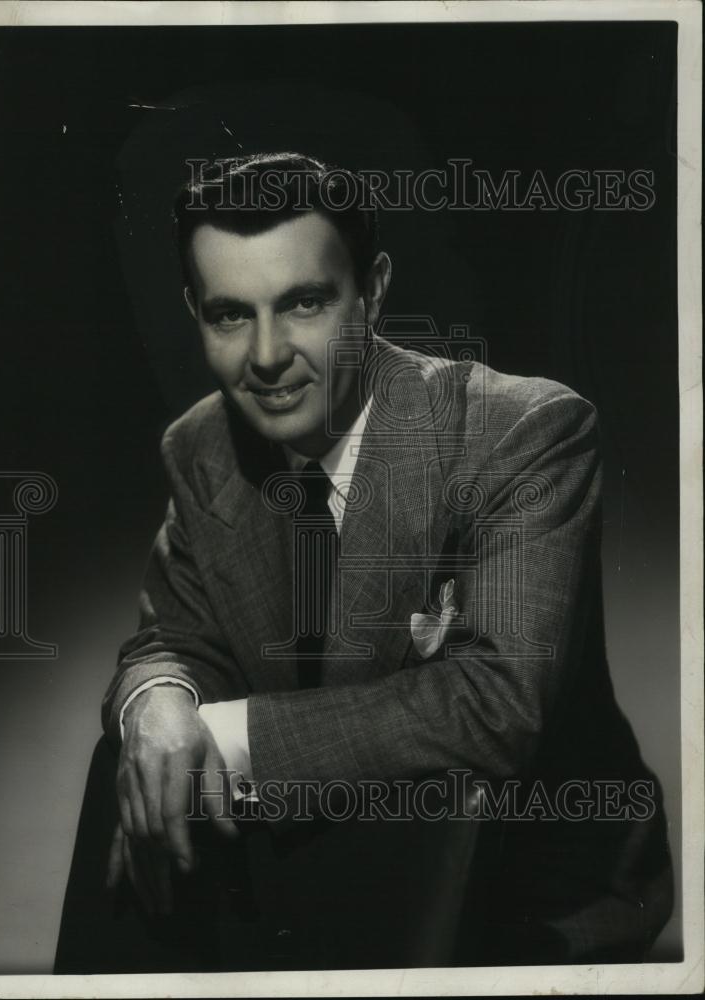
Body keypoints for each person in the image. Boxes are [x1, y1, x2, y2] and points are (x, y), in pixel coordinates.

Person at [56, 152, 673, 972]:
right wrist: (158, 703)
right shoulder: (202, 444)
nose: (267, 356)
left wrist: (223, 733)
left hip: (518, 907)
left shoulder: (518, 433)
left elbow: (499, 704)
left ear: (373, 290)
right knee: (130, 769)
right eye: (230, 315)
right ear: (192, 312)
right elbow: (174, 637)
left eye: (304, 303)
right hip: (310, 876)